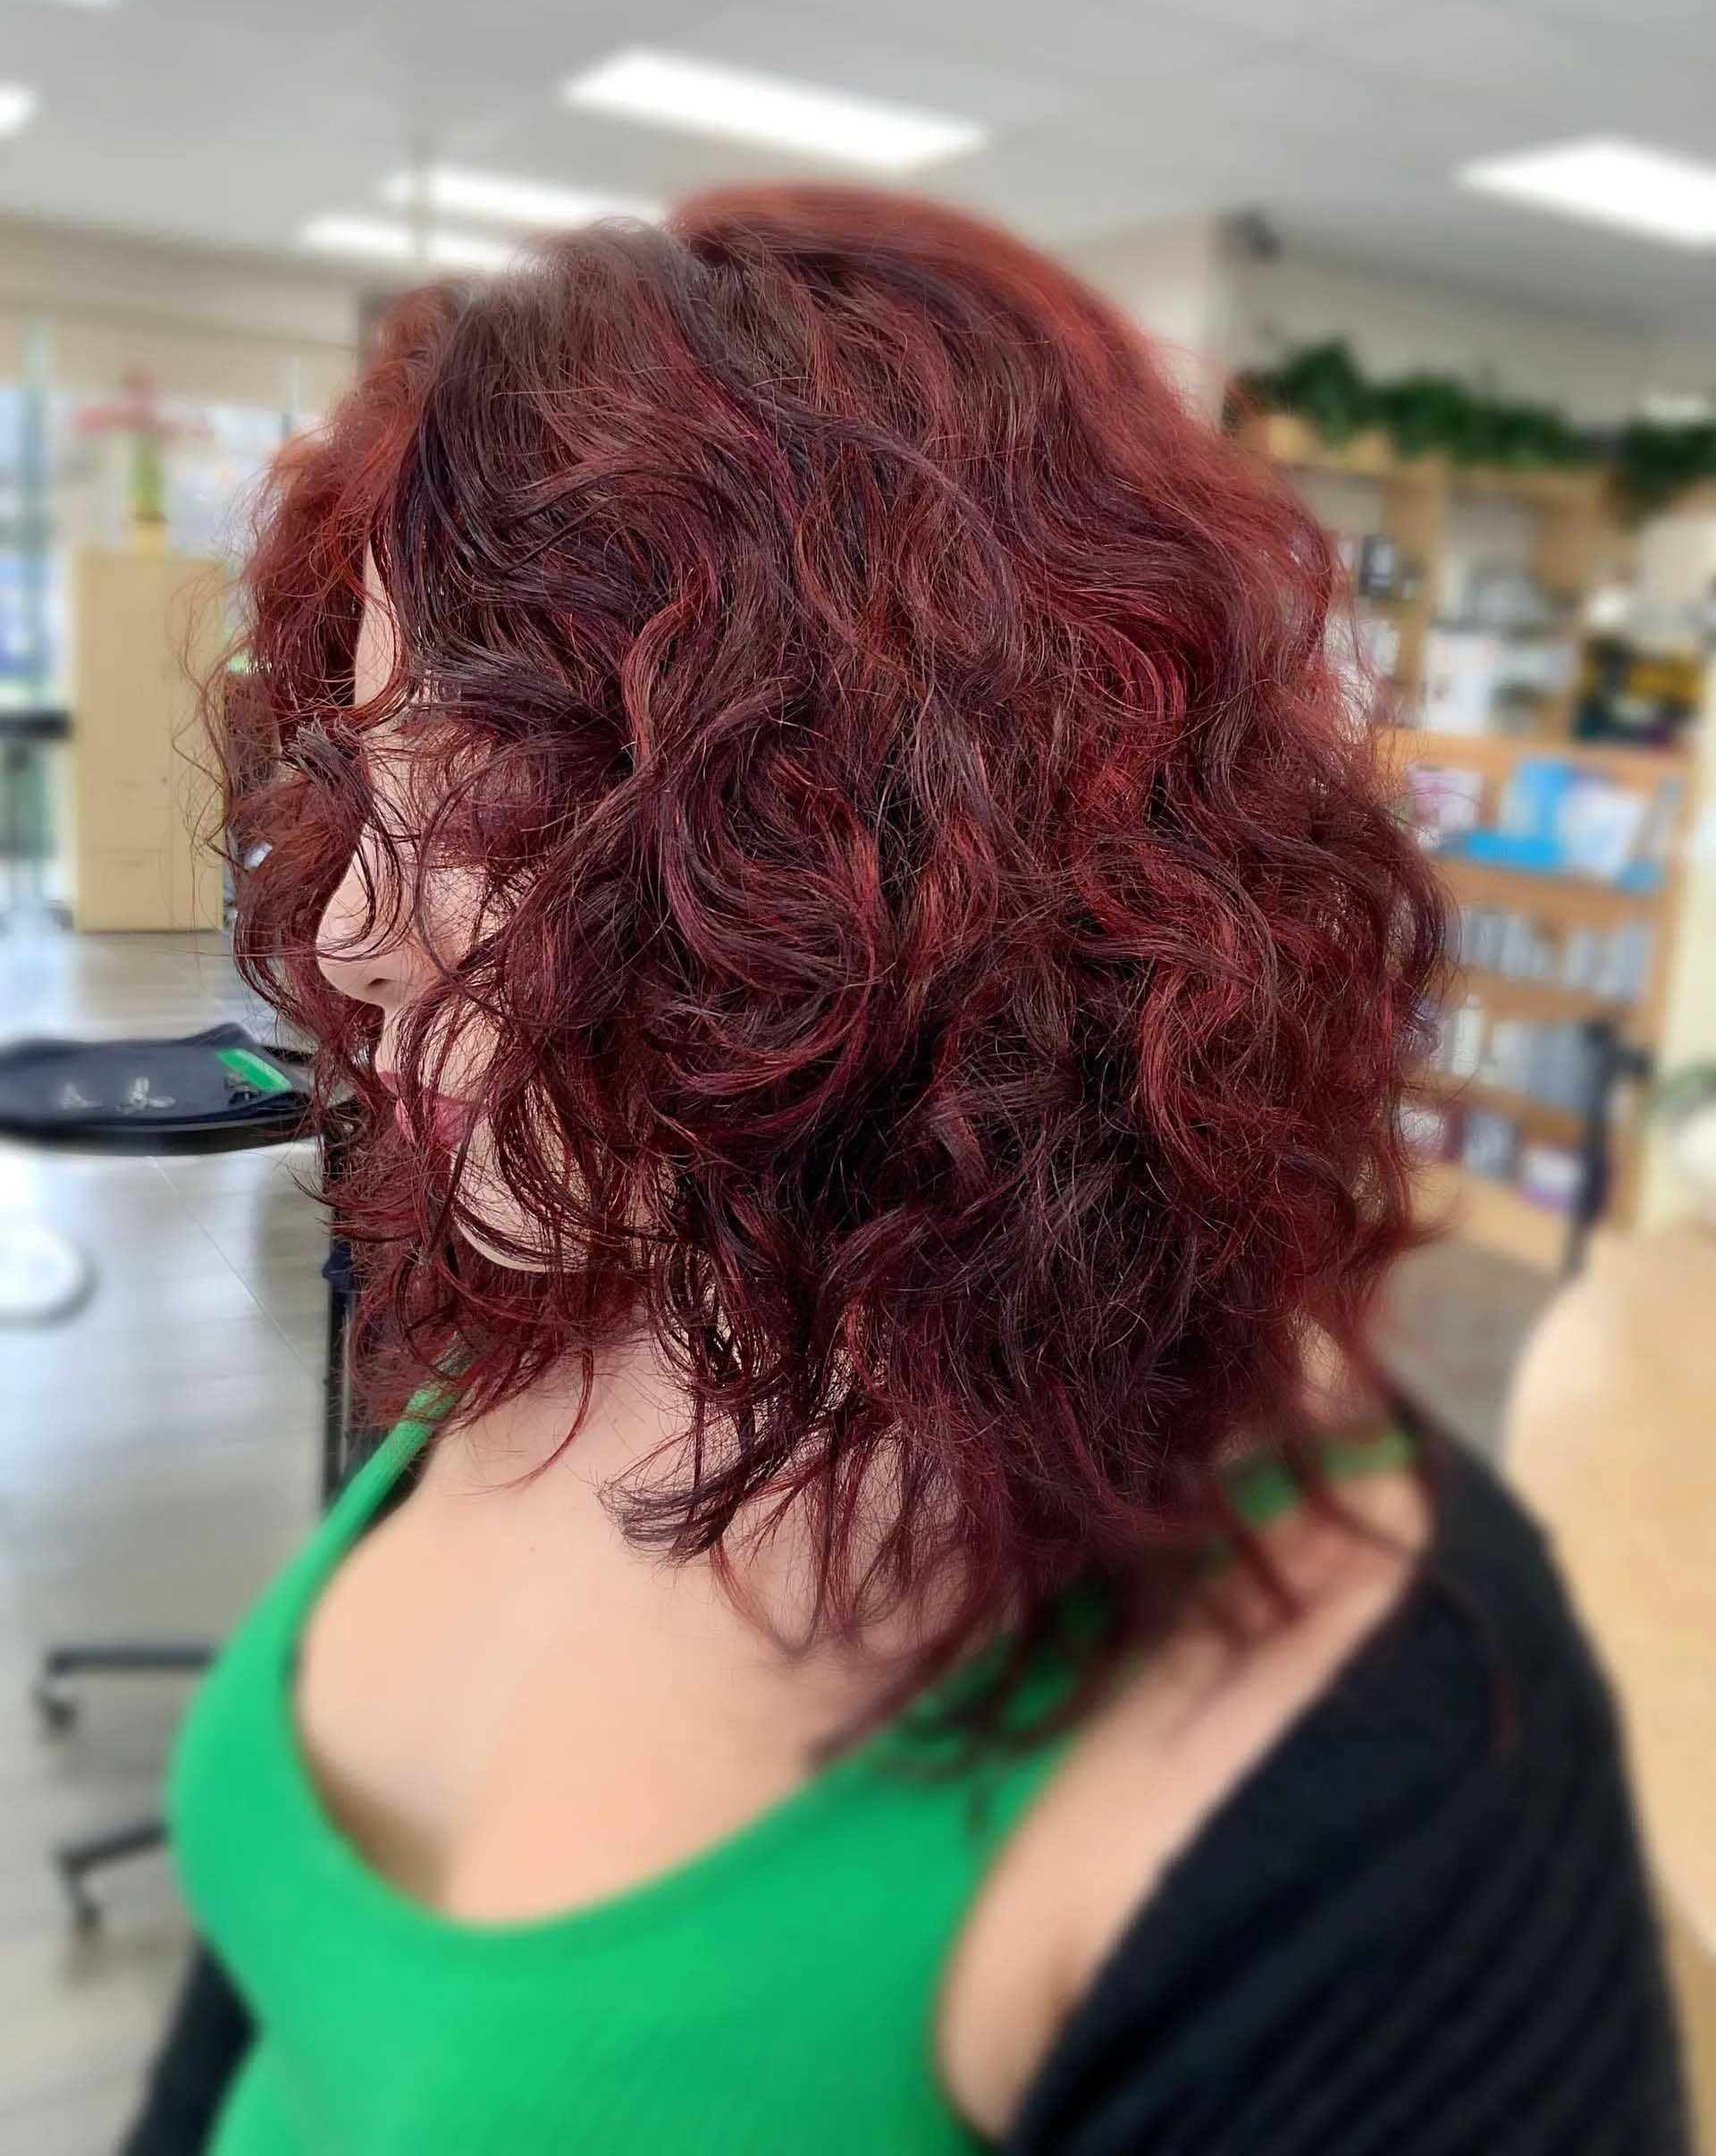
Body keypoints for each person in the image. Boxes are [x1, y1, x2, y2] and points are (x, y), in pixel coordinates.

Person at [125, 186, 1686, 2153]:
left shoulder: (1386, 1774)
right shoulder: (568, 1275)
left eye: (490, 796)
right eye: (362, 777)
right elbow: (269, 2005)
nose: (348, 937)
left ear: (898, 858)